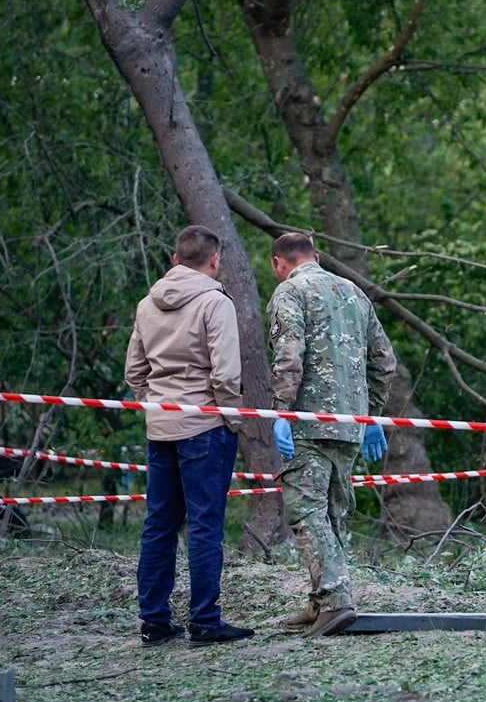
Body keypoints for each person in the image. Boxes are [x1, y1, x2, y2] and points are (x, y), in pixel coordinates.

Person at [124, 226, 254, 648]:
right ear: (214, 260)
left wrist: (157, 403)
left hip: (161, 426)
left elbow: (134, 372)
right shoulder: (215, 302)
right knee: (204, 525)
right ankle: (205, 621)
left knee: (159, 525)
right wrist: (229, 417)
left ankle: (155, 622)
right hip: (205, 427)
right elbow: (227, 372)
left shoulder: (148, 303)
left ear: (176, 257)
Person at [267, 232, 397, 637]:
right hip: (350, 424)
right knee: (335, 512)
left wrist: (281, 412)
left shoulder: (290, 292)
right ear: (316, 256)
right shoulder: (354, 293)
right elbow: (385, 361)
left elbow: (289, 353)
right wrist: (370, 413)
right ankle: (320, 599)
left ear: (278, 262)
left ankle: (336, 599)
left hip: (308, 422)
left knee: (306, 511)